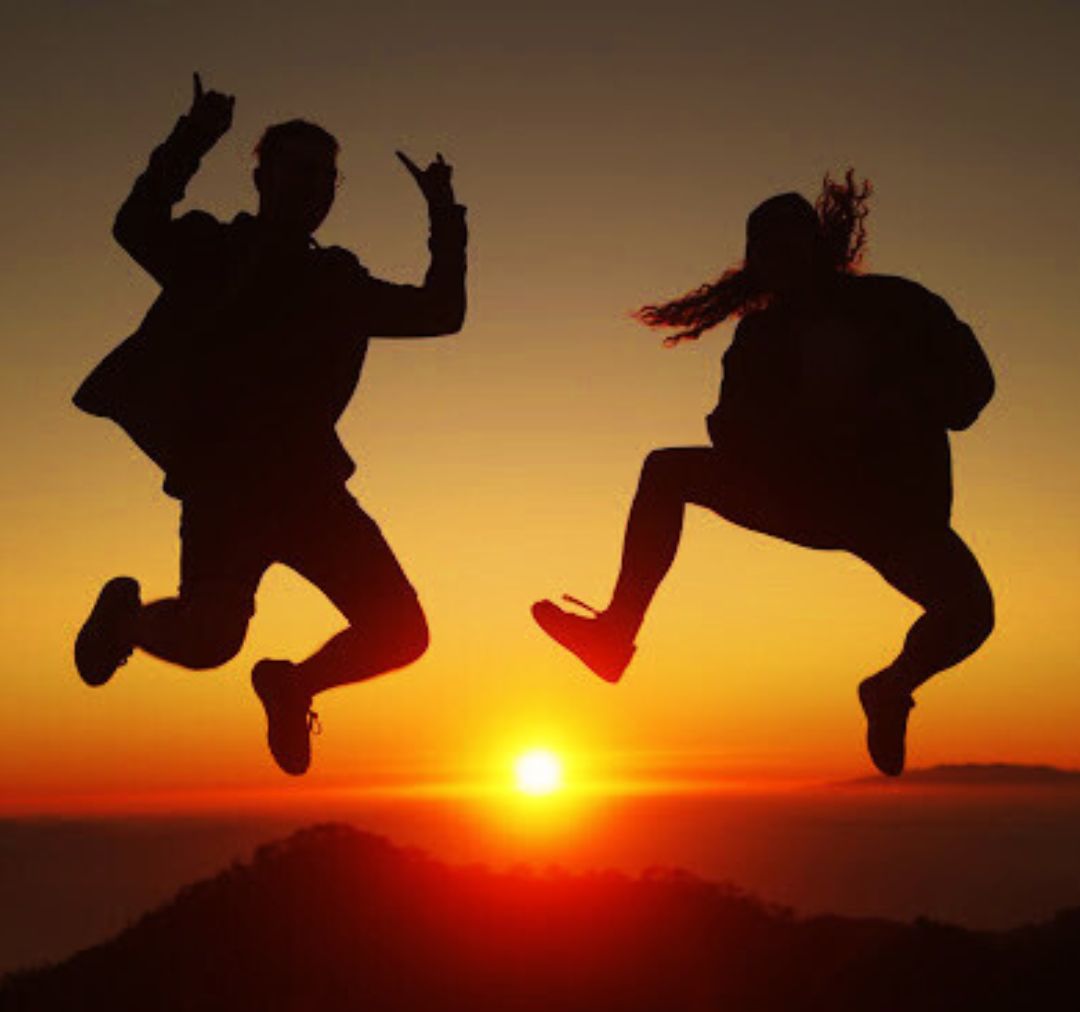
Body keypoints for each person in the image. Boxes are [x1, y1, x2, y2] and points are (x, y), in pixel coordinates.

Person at [532, 173, 994, 776]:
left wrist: (902, 402)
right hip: (803, 499)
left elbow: (972, 388)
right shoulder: (761, 337)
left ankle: (889, 689)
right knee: (666, 471)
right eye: (767, 255)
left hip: (896, 512)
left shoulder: (897, 305)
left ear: (817, 247)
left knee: (970, 614)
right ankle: (615, 634)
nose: (780, 266)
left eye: (789, 248)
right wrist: (777, 435)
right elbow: (729, 429)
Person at [73, 74, 467, 776]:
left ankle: (292, 684)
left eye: (327, 175)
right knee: (209, 642)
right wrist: (192, 137)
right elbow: (133, 227)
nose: (315, 185)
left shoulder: (338, 284)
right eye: (299, 169)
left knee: (401, 634)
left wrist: (445, 215)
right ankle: (123, 621)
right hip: (225, 491)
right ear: (262, 176)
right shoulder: (210, 252)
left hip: (312, 493)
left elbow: (441, 313)